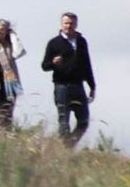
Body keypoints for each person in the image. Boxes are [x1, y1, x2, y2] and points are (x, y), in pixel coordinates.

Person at [41, 12, 96, 147]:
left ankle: (69, 145)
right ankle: (63, 149)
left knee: (83, 121)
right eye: (66, 23)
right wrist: (53, 62)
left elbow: (87, 64)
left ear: (76, 24)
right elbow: (44, 66)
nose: (69, 26)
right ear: (61, 24)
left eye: (71, 23)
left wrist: (92, 85)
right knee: (64, 122)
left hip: (78, 86)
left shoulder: (81, 42)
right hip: (62, 87)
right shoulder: (54, 43)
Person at [0, 19, 26, 128]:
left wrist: (13, 35)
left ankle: (6, 141)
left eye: (2, 30)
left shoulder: (9, 45)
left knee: (7, 118)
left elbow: (19, 52)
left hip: (9, 84)